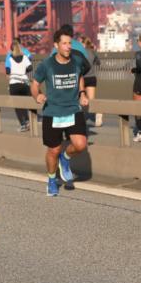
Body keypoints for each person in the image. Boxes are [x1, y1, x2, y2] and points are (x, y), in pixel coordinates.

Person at [32, 29, 92, 197]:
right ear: (56, 45)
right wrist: (38, 95)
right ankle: (52, 179)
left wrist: (82, 93)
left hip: (73, 109)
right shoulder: (47, 65)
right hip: (53, 112)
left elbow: (80, 75)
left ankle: (65, 158)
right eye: (64, 43)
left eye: (70, 43)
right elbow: (35, 84)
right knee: (53, 150)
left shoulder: (77, 60)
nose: (68, 47)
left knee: (80, 144)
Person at [6, 41, 33, 131]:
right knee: (25, 103)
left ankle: (23, 124)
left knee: (17, 105)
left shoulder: (9, 58)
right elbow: (30, 68)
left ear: (11, 49)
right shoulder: (25, 57)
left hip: (14, 83)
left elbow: (7, 71)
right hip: (25, 83)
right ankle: (28, 120)